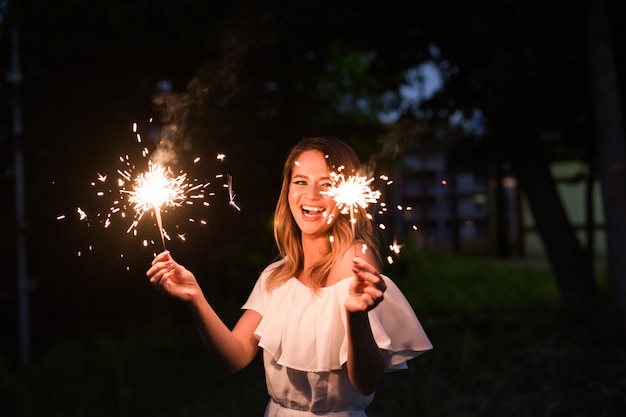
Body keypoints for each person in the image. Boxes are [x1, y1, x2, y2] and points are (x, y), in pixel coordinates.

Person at [147, 137, 433, 416]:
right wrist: (195, 298)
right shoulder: (276, 276)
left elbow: (367, 381)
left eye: (327, 184)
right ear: (287, 190)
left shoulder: (357, 266)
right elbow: (233, 357)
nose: (312, 196)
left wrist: (355, 316)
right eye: (301, 181)